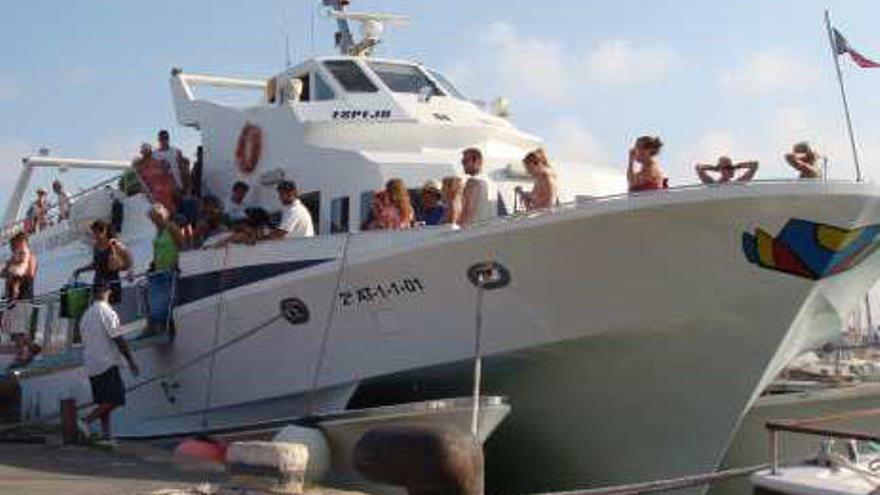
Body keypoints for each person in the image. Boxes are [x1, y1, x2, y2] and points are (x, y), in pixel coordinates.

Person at [77, 282, 139, 443]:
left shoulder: (86, 315)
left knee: (104, 401)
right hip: (106, 362)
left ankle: (106, 436)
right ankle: (85, 421)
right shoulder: (107, 311)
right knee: (116, 399)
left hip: (92, 364)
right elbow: (118, 337)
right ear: (107, 292)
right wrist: (131, 360)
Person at [73, 221, 133, 305]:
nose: (95, 236)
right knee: (98, 307)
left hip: (111, 283)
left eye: (97, 233)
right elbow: (95, 264)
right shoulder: (96, 246)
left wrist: (128, 271)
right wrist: (81, 270)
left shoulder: (114, 244)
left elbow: (128, 259)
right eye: (94, 233)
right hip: (98, 282)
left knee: (109, 308)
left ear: (104, 231)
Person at [133, 143, 178, 214]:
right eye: (144, 152)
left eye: (146, 152)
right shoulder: (140, 166)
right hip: (155, 195)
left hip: (161, 195)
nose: (145, 155)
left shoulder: (158, 163)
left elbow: (168, 177)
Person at [459, 148, 497, 226]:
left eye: (465, 162)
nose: (463, 165)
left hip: (472, 231)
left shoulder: (472, 182)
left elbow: (468, 210)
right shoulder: (492, 183)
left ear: (477, 161)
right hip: (488, 230)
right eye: (462, 162)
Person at [1, 232, 36, 301]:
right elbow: (3, 273)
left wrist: (15, 277)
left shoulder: (30, 257)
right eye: (12, 245)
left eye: (14, 245)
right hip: (11, 299)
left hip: (24, 297)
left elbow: (30, 275)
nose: (12, 248)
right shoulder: (11, 260)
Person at [695, 156, 759, 184]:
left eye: (731, 168)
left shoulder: (737, 184)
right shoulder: (712, 184)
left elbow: (754, 165)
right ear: (721, 170)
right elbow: (698, 167)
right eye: (727, 168)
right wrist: (715, 168)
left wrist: (737, 166)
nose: (731, 170)